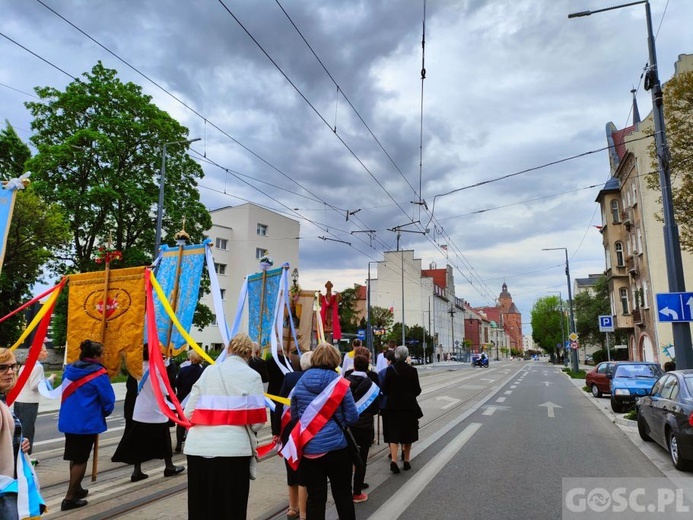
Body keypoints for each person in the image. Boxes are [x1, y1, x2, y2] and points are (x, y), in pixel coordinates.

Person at [184, 332, 266, 520]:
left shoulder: (209, 371)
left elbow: (189, 413)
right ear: (250, 354)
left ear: (228, 349)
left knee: (200, 506)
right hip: (234, 452)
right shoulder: (253, 376)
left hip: (199, 449)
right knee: (231, 507)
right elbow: (257, 421)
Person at [289, 342, 358, 520]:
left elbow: (295, 416)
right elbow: (352, 417)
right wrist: (338, 423)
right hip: (337, 448)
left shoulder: (301, 382)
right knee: (342, 494)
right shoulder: (340, 383)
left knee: (315, 498)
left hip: (310, 449)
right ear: (335, 359)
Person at [112, 343, 184, 482]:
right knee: (164, 440)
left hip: (140, 411)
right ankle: (169, 466)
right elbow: (164, 390)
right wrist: (165, 370)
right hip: (155, 411)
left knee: (138, 442)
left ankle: (137, 471)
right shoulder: (156, 369)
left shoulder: (138, 368)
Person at [58, 339, 115, 511]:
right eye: (102, 354)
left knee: (75, 456)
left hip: (69, 420)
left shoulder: (69, 369)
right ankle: (69, 498)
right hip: (86, 422)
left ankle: (77, 487)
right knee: (81, 459)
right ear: (96, 356)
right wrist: (104, 412)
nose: (103, 356)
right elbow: (108, 400)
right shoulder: (99, 374)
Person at [0, 348, 45, 519]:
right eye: (2, 367)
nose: (10, 371)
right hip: (4, 487)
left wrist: (18, 441)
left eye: (13, 366)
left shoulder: (2, 400)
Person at [273, 350, 313, 520]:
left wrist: (276, 431)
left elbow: (279, 405)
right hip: (310, 429)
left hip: (289, 428)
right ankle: (304, 512)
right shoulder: (317, 378)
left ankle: (292, 507)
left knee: (291, 466)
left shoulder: (290, 378)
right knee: (305, 469)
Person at [381, 345, 422, 474]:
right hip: (409, 407)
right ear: (406, 356)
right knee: (408, 433)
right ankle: (406, 460)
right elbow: (417, 390)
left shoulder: (389, 371)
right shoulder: (412, 371)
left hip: (392, 407)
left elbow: (385, 390)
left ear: (396, 356)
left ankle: (393, 460)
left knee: (394, 433)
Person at [346, 354, 380, 504]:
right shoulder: (371, 384)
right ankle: (357, 491)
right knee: (362, 459)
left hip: (347, 427)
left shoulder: (344, 382)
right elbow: (375, 409)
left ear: (354, 366)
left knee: (346, 460)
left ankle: (346, 490)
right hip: (365, 427)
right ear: (367, 367)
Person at [13, 344, 56, 459]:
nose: (46, 353)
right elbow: (35, 386)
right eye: (44, 351)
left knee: (19, 429)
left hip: (19, 400)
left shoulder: (25, 365)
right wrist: (50, 379)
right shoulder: (38, 367)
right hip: (29, 402)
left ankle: (17, 455)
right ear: (37, 353)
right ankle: (25, 457)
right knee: (28, 430)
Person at [174, 350, 205, 453]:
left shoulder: (184, 370)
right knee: (195, 422)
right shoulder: (204, 371)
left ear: (191, 358)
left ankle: (178, 444)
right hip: (197, 400)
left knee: (181, 423)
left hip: (183, 399)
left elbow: (177, 383)